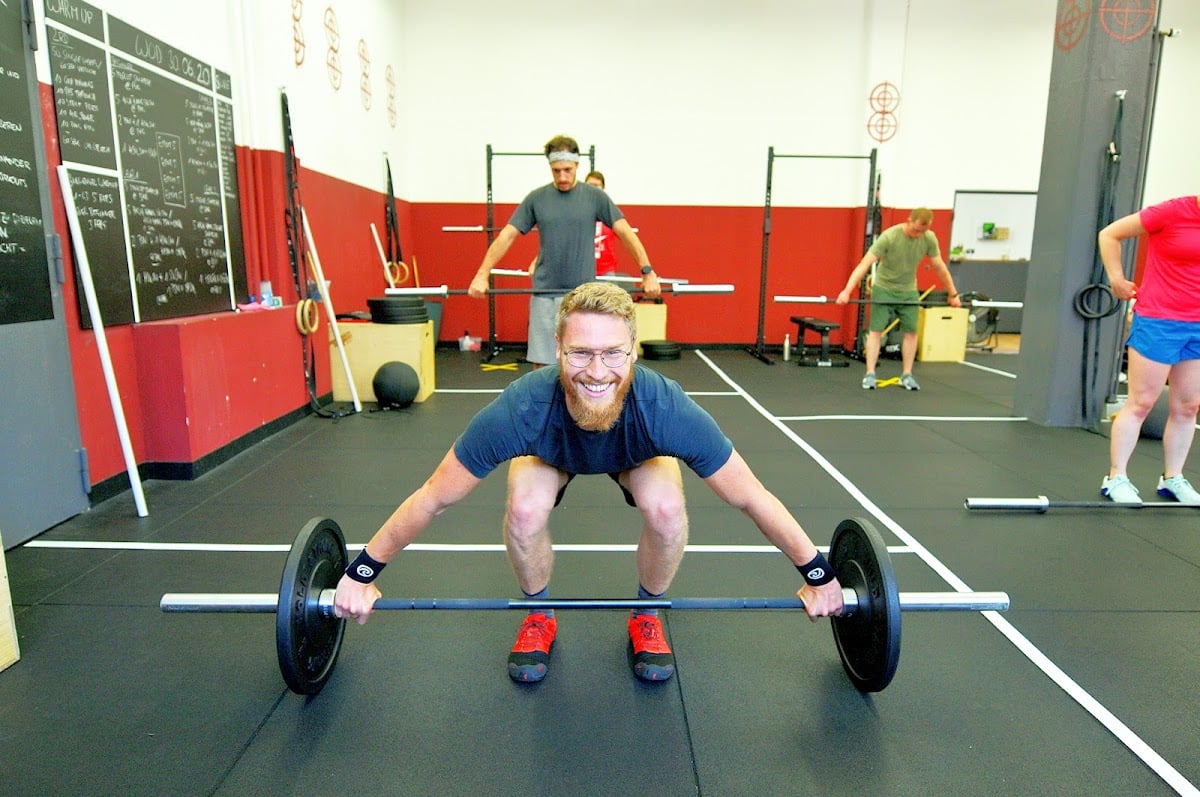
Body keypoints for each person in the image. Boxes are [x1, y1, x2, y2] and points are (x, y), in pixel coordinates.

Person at [334, 281, 845, 683]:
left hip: (635, 453)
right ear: (557, 347)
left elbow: (751, 497)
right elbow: (434, 498)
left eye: (613, 353)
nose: (597, 371)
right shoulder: (522, 407)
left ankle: (647, 613)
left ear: (634, 350)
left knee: (666, 508)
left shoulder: (664, 408)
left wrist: (818, 575)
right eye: (580, 352)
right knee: (526, 508)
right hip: (551, 452)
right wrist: (361, 573)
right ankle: (539, 613)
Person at [468, 135, 660, 368]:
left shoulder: (595, 197)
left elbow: (626, 233)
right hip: (545, 293)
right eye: (556, 170)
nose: (562, 176)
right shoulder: (536, 198)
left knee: (581, 363)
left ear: (577, 165)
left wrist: (647, 271)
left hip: (582, 296)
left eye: (567, 169)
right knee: (543, 366)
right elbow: (507, 236)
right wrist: (482, 273)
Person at [1098, 195, 1200, 504]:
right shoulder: (1171, 212)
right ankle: (1116, 477)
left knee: (1188, 407)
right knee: (1141, 402)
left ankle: (1173, 478)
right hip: (1158, 319)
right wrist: (1116, 278)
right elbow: (1109, 234)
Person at [836, 208, 962, 390]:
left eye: (922, 231)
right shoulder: (890, 236)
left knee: (911, 332)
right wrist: (847, 291)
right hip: (884, 288)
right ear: (908, 220)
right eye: (916, 229)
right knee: (876, 331)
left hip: (909, 290)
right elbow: (865, 263)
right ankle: (870, 374)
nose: (918, 234)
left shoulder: (929, 238)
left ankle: (907, 375)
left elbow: (939, 267)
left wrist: (953, 294)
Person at [585, 170, 620, 277]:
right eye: (590, 186)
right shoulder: (577, 212)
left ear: (603, 189)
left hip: (606, 271)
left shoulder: (611, 213)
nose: (593, 189)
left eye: (596, 186)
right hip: (583, 271)